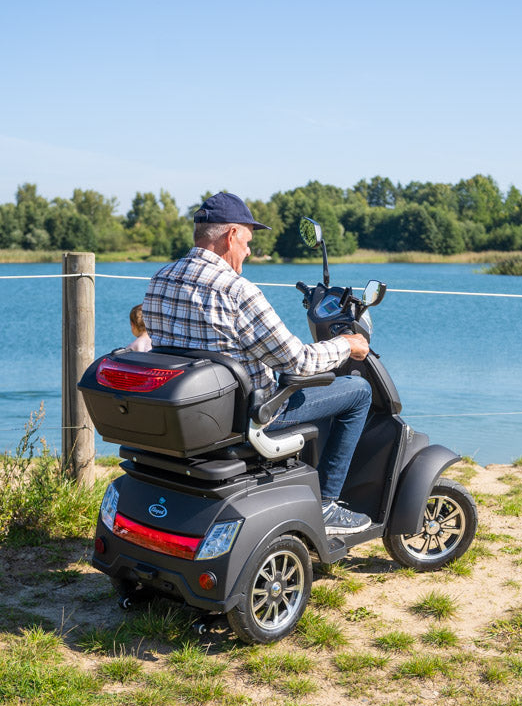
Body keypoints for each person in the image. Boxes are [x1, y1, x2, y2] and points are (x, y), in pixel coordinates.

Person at [142, 192, 373, 535]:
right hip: (250, 417)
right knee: (358, 391)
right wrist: (346, 344)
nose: (248, 251)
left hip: (192, 414)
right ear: (231, 235)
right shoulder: (237, 291)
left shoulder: (160, 279)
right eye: (247, 241)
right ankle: (326, 505)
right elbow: (298, 361)